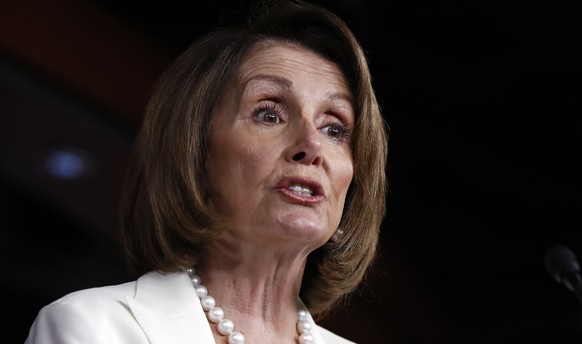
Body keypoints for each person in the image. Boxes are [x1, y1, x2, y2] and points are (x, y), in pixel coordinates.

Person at [24, 0, 388, 343]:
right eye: (269, 114)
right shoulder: (94, 327)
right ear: (195, 152)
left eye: (334, 129)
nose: (311, 145)